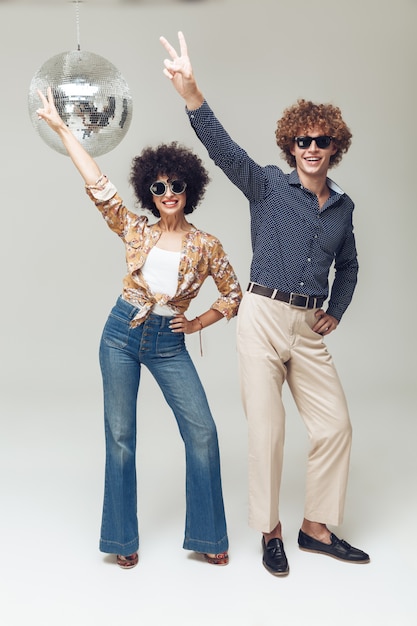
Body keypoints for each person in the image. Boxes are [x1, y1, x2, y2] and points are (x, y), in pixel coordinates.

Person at [159, 31, 370, 576]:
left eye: (322, 140)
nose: (312, 148)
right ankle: (270, 531)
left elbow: (348, 265)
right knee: (268, 431)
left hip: (307, 325)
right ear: (290, 147)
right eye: (303, 141)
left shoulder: (343, 209)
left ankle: (316, 529)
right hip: (260, 317)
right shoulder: (268, 187)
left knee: (335, 427)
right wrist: (191, 94)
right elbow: (222, 148)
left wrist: (337, 308)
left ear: (334, 147)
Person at [36, 87, 242, 569]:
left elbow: (233, 295)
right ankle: (121, 539)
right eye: (159, 188)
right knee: (121, 436)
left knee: (204, 433)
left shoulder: (207, 245)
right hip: (121, 335)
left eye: (176, 187)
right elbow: (98, 185)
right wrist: (63, 129)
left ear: (190, 190)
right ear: (149, 190)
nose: (168, 195)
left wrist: (196, 323)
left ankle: (209, 535)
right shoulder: (138, 230)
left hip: (169, 344)